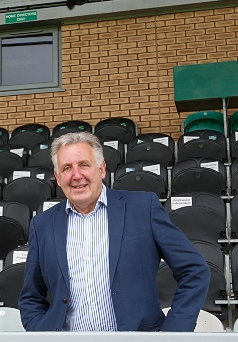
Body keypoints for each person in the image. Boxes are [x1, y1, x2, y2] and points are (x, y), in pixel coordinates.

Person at [19, 132, 210, 332]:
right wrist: (42, 334)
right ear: (58, 178)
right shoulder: (42, 225)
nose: (76, 175)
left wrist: (172, 334)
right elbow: (31, 297)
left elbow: (194, 271)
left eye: (84, 164)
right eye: (67, 168)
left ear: (101, 169)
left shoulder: (143, 208)